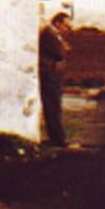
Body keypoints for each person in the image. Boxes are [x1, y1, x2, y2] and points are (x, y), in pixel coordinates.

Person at [39, 11, 72, 148]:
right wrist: (63, 47)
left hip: (52, 73)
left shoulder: (53, 35)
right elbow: (60, 53)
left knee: (54, 105)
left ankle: (57, 136)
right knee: (53, 106)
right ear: (57, 23)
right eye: (66, 26)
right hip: (49, 73)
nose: (67, 29)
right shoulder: (49, 34)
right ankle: (58, 138)